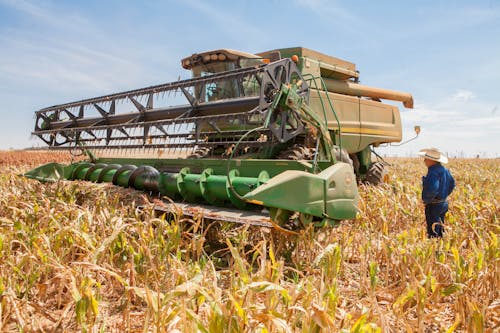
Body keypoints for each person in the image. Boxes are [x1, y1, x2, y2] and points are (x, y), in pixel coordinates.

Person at [418, 148, 456, 238]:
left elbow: (433, 188)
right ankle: (441, 246)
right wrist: (444, 195)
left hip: (433, 205)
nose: (424, 161)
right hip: (443, 203)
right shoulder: (445, 170)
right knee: (440, 227)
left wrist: (426, 200)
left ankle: (435, 249)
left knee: (433, 231)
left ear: (432, 160)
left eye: (426, 159)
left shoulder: (433, 172)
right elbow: (452, 184)